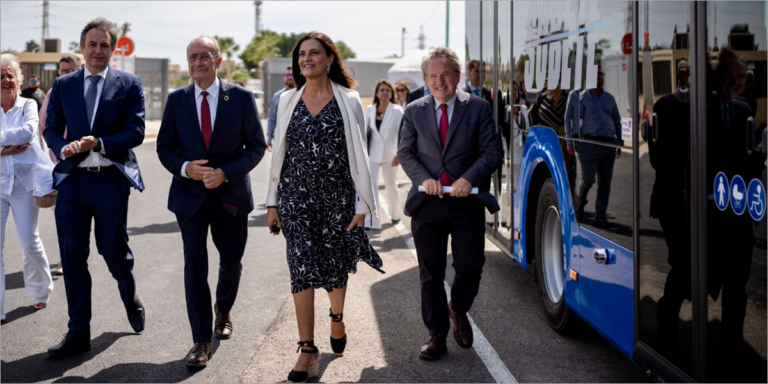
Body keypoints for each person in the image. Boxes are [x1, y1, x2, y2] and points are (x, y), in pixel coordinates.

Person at [265, 32, 383, 383]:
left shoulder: (349, 100)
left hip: (338, 197)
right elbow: (279, 156)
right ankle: (307, 349)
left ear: (330, 59)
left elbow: (359, 157)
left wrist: (362, 205)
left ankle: (337, 317)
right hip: (295, 196)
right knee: (300, 264)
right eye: (302, 54)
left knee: (334, 268)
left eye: (314, 53)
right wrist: (273, 203)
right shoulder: (287, 99)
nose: (306, 59)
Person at [156, 35, 267, 368]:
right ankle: (201, 340)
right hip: (189, 199)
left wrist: (226, 173)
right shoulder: (177, 100)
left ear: (218, 61)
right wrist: (184, 168)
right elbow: (165, 148)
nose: (197, 62)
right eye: (192, 56)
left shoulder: (242, 98)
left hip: (230, 197)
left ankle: (223, 310)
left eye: (205, 56)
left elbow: (256, 146)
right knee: (194, 267)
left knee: (230, 262)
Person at [43, 18, 146, 357]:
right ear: (83, 47)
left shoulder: (128, 84)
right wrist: (63, 147)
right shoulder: (64, 85)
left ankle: (129, 296)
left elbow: (135, 132)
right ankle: (78, 331)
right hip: (73, 182)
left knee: (113, 251)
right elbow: (53, 128)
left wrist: (98, 142)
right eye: (92, 44)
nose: (98, 50)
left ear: (112, 49)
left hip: (110, 180)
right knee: (73, 258)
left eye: (104, 45)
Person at [398, 47, 502, 360]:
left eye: (445, 74)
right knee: (430, 272)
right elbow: (406, 152)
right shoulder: (414, 109)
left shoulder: (480, 108)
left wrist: (469, 178)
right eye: (433, 75)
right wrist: (423, 178)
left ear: (457, 76)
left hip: (466, 201)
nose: (439, 81)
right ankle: (436, 334)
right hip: (427, 202)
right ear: (426, 78)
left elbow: (492, 152)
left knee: (471, 267)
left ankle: (458, 308)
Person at [705, 46, 765, 372]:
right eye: (730, 76)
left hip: (738, 215)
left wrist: (756, 163)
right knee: (697, 281)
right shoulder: (701, 108)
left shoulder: (742, 111)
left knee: (737, 289)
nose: (736, 83)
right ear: (718, 76)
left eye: (741, 78)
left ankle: (731, 348)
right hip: (709, 215)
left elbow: (743, 160)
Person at [0, 53, 55, 321]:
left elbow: (28, 132)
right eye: (1, 76)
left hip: (23, 185)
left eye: (10, 75)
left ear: (18, 79)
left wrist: (3, 144)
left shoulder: (28, 105)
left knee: (28, 241)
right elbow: (16, 138)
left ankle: (40, 290)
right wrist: (4, 149)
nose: (6, 80)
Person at [650, 59, 692, 363]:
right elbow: (657, 157)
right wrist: (687, 173)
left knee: (689, 264)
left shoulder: (709, 105)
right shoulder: (664, 106)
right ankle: (666, 321)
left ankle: (668, 314)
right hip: (671, 199)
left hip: (698, 201)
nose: (685, 75)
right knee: (682, 261)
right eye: (682, 70)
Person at [38, 53, 82, 277]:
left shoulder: (86, 92)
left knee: (78, 214)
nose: (65, 75)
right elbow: (44, 124)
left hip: (83, 163)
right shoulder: (53, 93)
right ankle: (65, 259)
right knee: (62, 213)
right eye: (62, 71)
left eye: (70, 71)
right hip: (59, 162)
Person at [564, 65, 622, 228]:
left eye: (601, 74)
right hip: (588, 144)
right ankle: (580, 203)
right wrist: (569, 141)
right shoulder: (578, 97)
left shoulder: (609, 98)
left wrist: (620, 142)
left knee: (605, 182)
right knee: (588, 179)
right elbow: (568, 118)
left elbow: (617, 120)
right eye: (596, 74)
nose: (600, 77)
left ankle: (600, 215)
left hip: (608, 144)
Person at [530, 78, 577, 207]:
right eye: (545, 80)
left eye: (549, 80)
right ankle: (552, 200)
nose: (547, 83)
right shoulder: (542, 99)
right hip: (547, 144)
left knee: (569, 171)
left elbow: (577, 117)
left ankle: (569, 203)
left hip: (566, 144)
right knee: (549, 172)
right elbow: (532, 118)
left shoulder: (568, 98)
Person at [364, 79, 404, 229]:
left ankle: (396, 214)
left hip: (391, 154)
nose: (385, 92)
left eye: (388, 90)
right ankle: (372, 220)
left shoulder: (397, 110)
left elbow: (403, 133)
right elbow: (365, 132)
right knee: (371, 185)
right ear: (376, 93)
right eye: (382, 90)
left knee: (391, 185)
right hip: (372, 153)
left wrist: (399, 153)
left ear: (391, 93)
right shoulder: (370, 109)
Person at [266, 66, 295, 152]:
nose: (289, 76)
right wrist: (269, 138)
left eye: (292, 74)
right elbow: (272, 118)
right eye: (287, 74)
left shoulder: (304, 95)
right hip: (280, 140)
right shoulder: (277, 96)